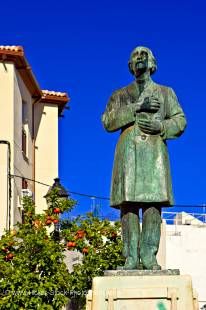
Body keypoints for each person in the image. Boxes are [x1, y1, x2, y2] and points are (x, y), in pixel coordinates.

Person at [102, 46, 186, 270]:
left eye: (143, 54)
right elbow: (108, 122)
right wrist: (137, 107)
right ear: (130, 65)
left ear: (152, 63)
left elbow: (180, 121)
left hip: (154, 156)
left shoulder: (166, 93)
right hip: (128, 156)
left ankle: (149, 255)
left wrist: (161, 125)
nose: (139, 58)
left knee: (152, 206)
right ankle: (130, 257)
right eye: (135, 55)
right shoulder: (119, 95)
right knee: (128, 206)